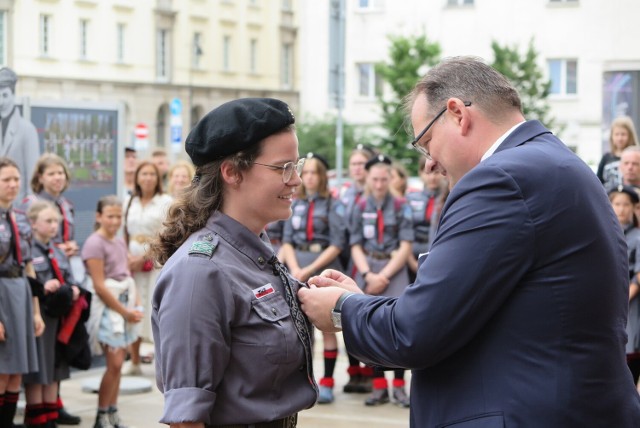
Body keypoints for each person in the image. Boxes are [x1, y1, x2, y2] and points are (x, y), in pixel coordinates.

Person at [298, 56, 640, 427]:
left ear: (458, 114)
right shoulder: (552, 163)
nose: (429, 164)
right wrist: (366, 304)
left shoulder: (500, 180)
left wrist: (342, 310)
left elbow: (416, 332)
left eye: (426, 142)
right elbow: (467, 308)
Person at [150, 98, 317, 427]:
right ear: (232, 172)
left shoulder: (252, 250)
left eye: (296, 165)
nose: (296, 180)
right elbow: (186, 419)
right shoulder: (200, 272)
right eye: (283, 167)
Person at [280, 152, 346, 404]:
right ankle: (305, 381)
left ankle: (328, 382)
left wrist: (309, 270)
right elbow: (286, 240)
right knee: (300, 329)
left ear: (322, 177)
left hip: (322, 268)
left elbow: (337, 244)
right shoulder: (294, 203)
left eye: (313, 172)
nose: (308, 177)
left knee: (327, 327)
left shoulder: (332, 204)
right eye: (305, 172)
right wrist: (295, 267)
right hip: (297, 268)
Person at [349, 154, 413, 407]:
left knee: (398, 326)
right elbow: (354, 244)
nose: (378, 184)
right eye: (374, 179)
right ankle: (378, 387)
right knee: (369, 327)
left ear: (390, 178)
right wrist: (367, 275)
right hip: (367, 265)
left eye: (383, 179)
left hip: (393, 267)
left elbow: (406, 244)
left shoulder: (400, 205)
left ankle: (399, 387)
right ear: (368, 178)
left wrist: (384, 276)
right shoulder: (359, 205)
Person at [83, 195, 143, 428]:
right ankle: (101, 414)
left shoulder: (119, 242)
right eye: (110, 216)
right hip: (110, 310)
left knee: (118, 363)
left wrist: (135, 305)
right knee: (115, 363)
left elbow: (126, 275)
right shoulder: (94, 244)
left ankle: (112, 411)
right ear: (99, 217)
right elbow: (100, 286)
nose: (115, 221)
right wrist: (124, 312)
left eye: (118, 216)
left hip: (124, 306)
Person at [23, 200, 84, 428]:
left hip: (59, 315)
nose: (53, 226)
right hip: (40, 313)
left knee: (54, 366)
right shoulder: (30, 250)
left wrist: (73, 287)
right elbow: (29, 279)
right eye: (48, 221)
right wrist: (44, 285)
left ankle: (50, 414)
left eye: (56, 221)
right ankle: (36, 417)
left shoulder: (55, 249)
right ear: (33, 223)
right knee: (39, 367)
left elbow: (67, 275)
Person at [0, 157, 44, 428]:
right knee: (1, 372)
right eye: (6, 179)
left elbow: (29, 267)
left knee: (16, 372)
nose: (13, 185)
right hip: (2, 294)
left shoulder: (20, 217)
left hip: (21, 295)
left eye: (16, 179)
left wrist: (36, 311)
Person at [122, 161, 172, 375]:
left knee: (155, 307)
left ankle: (160, 364)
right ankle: (134, 361)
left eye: (152, 174)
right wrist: (126, 256)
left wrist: (143, 257)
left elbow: (166, 232)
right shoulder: (129, 201)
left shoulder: (165, 202)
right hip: (130, 261)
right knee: (134, 307)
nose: (148, 178)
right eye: (144, 174)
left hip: (154, 262)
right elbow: (122, 230)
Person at [337, 143, 376, 394]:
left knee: (370, 312)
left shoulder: (378, 192)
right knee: (347, 313)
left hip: (368, 256)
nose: (357, 168)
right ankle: (355, 372)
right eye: (353, 164)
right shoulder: (343, 193)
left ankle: (373, 371)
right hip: (346, 257)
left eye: (362, 164)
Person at [608, 185, 640, 386]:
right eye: (617, 204)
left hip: (630, 303)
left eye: (625, 205)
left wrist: (622, 298)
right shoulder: (605, 232)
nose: (621, 209)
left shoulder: (637, 236)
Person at [0, 67, 40, 200]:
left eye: (5, 95)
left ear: (13, 95)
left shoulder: (27, 129)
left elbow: (33, 170)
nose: (1, 102)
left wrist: (30, 199)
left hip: (18, 205)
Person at [406, 157, 444, 281]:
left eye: (436, 172)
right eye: (428, 173)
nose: (432, 177)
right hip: (410, 254)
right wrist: (411, 261)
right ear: (420, 173)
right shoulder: (410, 199)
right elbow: (404, 231)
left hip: (435, 254)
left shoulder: (446, 198)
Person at [597, 116, 639, 189]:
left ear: (630, 135)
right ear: (612, 136)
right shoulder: (606, 158)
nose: (620, 138)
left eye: (623, 134)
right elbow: (598, 181)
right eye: (616, 134)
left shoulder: (637, 156)